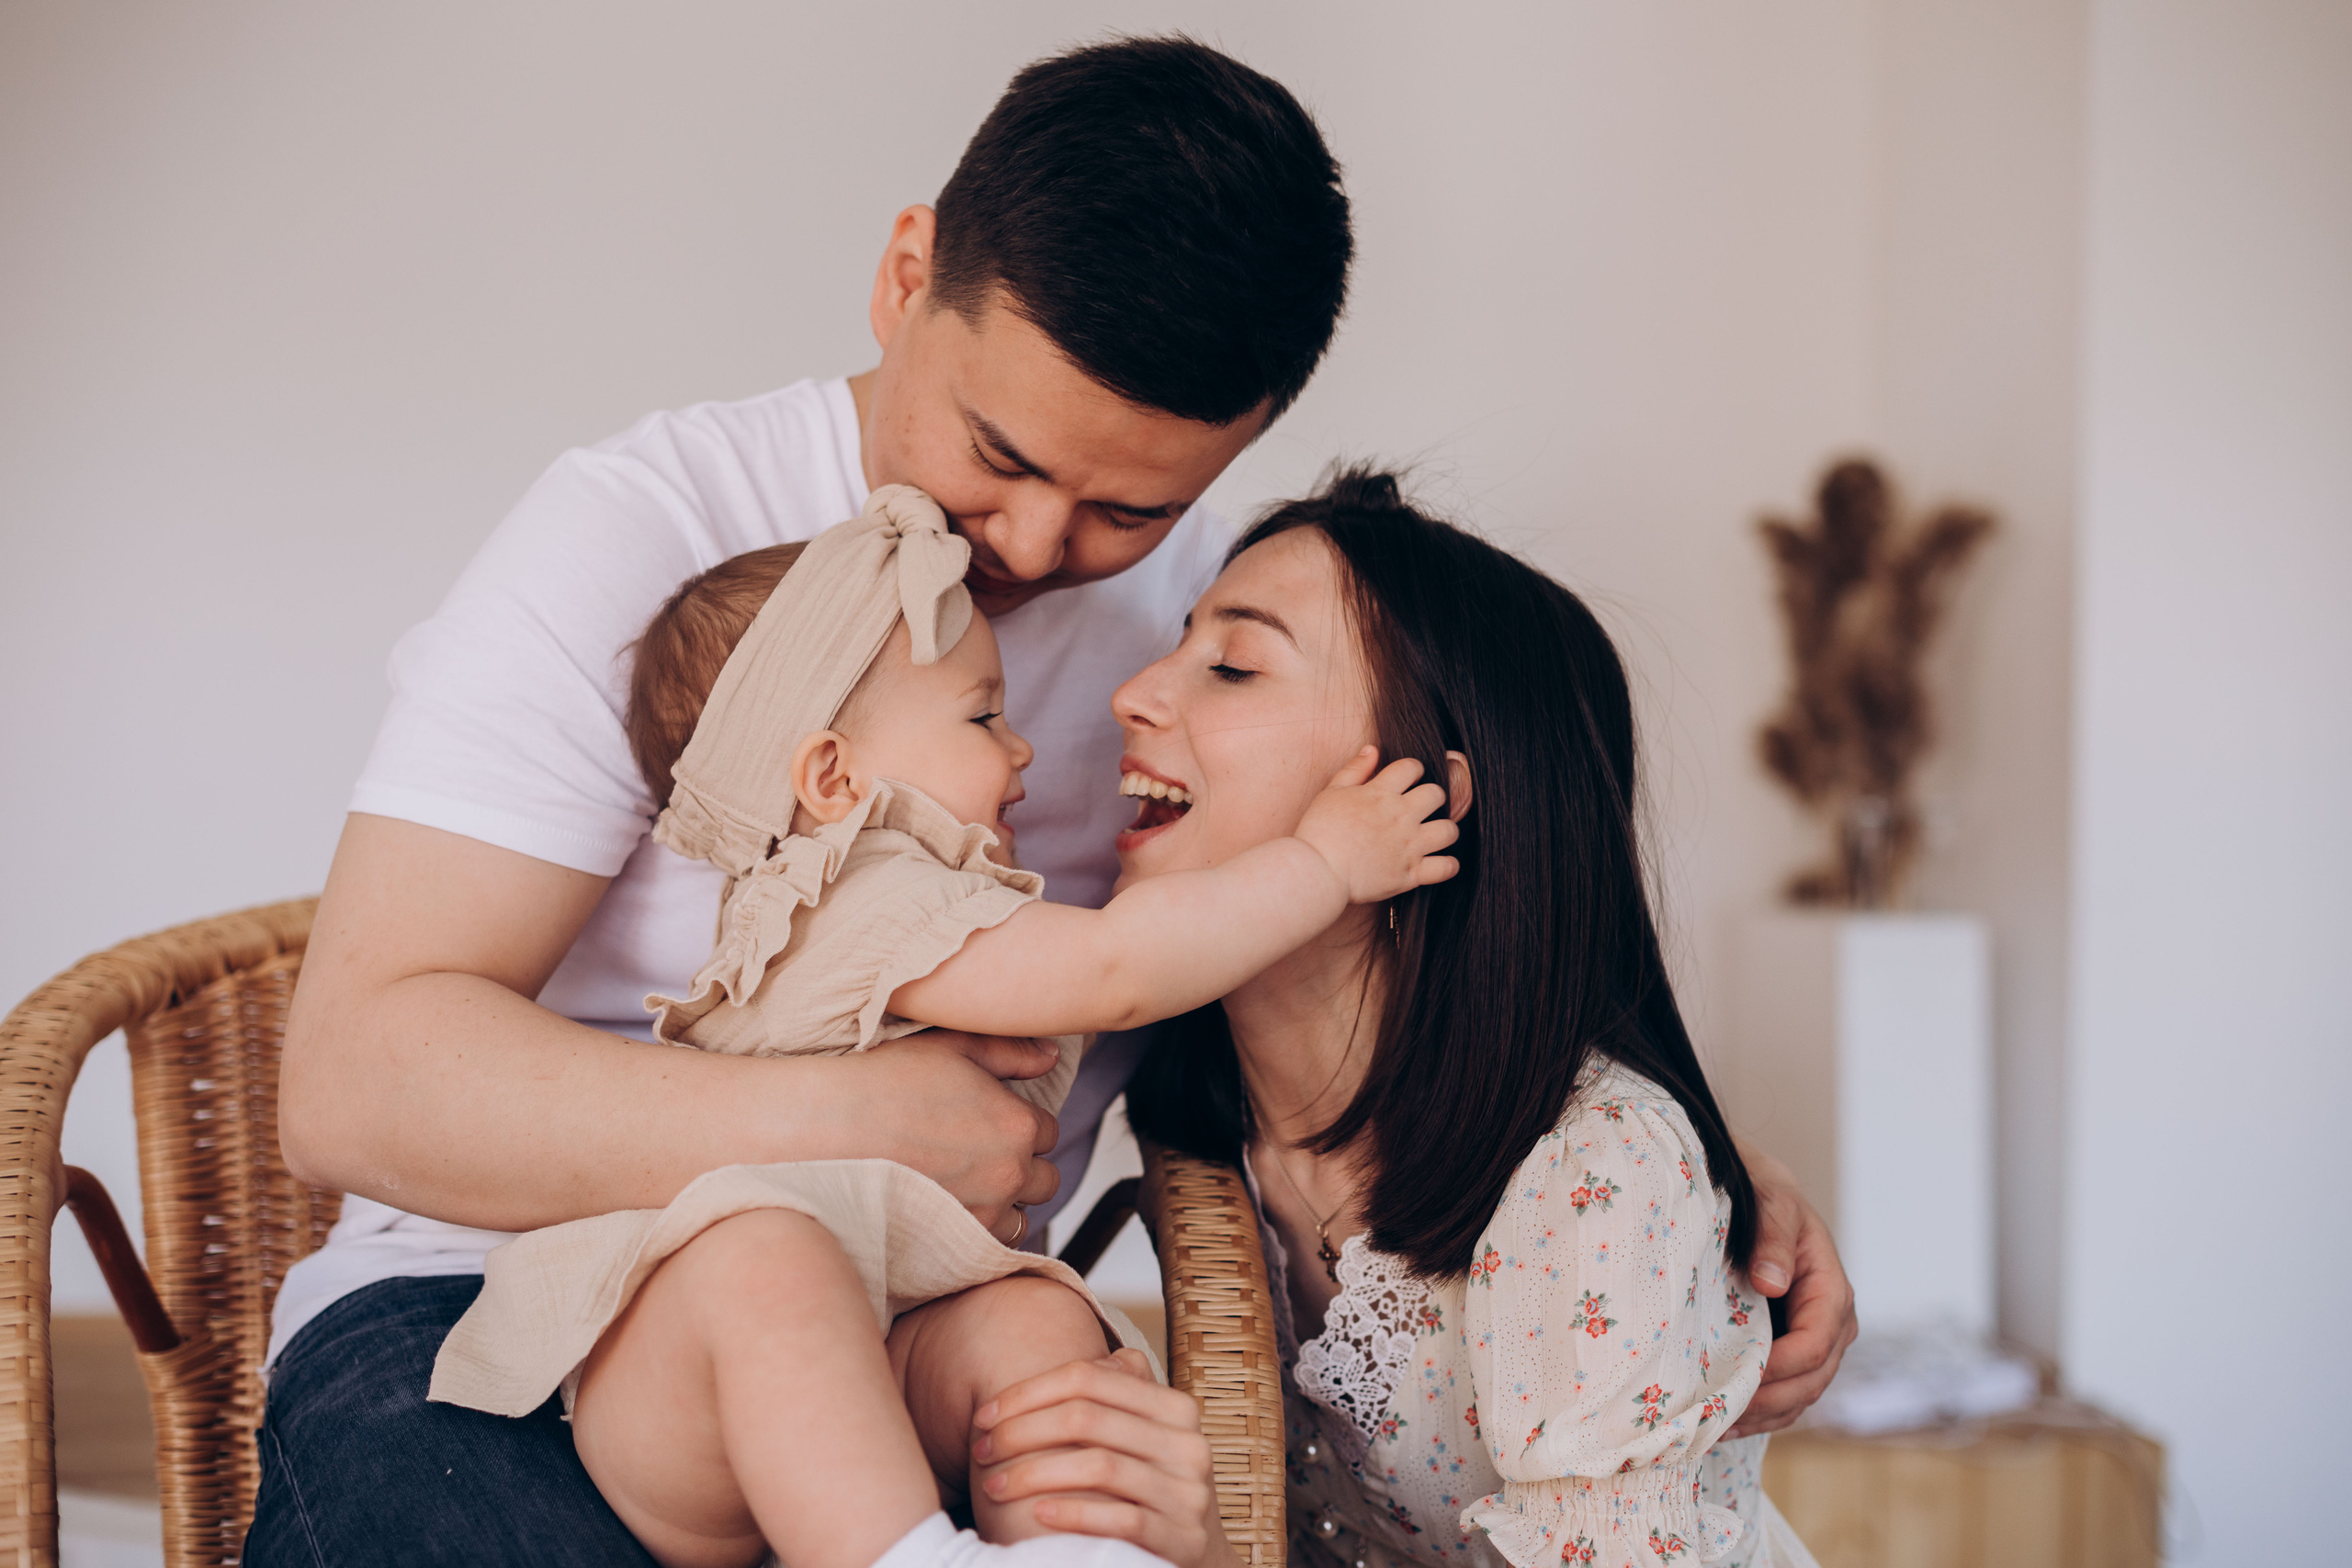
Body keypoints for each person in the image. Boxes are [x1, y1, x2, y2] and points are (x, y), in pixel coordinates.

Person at [254, 34, 1854, 1568]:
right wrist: (836, 1121)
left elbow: (1369, 963)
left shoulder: (1198, 645)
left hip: (934, 1316)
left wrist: (1676, 1161)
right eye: (995, 452)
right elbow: (353, 1080)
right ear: (904, 278)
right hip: (498, 1305)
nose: (1026, 544)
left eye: (1125, 507)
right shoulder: (650, 536)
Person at [425, 484, 1458, 1568]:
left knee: (1035, 1328)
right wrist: (1324, 866)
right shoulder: (862, 890)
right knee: (762, 1259)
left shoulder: (932, 891)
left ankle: (1070, 1552)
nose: (1022, 754)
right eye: (981, 718)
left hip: (875, 1369)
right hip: (691, 1399)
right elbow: (1116, 971)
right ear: (832, 777)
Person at [965, 470, 1822, 1567]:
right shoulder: (1191, 1089)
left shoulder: (1594, 1176)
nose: (1135, 692)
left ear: (1431, 799)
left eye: (1233, 665)